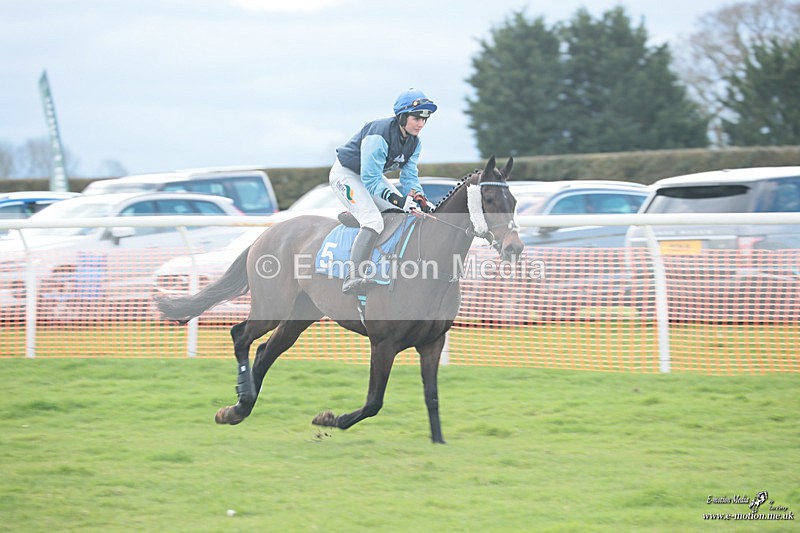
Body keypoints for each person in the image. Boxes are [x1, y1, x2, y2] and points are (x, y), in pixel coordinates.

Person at [329, 88, 437, 294]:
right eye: (416, 118)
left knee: (398, 215)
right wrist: (399, 200)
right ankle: (352, 277)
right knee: (373, 221)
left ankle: (359, 216)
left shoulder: (415, 142)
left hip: (370, 177)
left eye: (425, 119)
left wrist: (418, 197)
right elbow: (370, 179)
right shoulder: (379, 135)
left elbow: (409, 177)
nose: (421, 124)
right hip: (347, 175)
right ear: (402, 116)